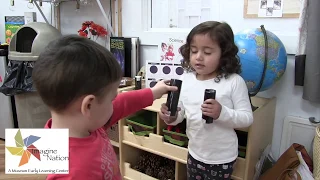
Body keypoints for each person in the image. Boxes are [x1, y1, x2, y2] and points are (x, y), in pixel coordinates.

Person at [32, 35, 177, 180]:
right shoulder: (73, 172)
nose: (113, 104)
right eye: (111, 98)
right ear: (88, 105)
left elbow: (122, 103)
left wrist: (153, 92)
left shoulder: (85, 124)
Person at [159, 21, 253, 180]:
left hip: (222, 158)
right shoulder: (187, 79)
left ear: (224, 54)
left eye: (207, 52)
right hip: (194, 153)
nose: (198, 57)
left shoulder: (234, 81)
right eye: (194, 51)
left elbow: (247, 118)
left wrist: (221, 113)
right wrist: (172, 116)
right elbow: (182, 112)